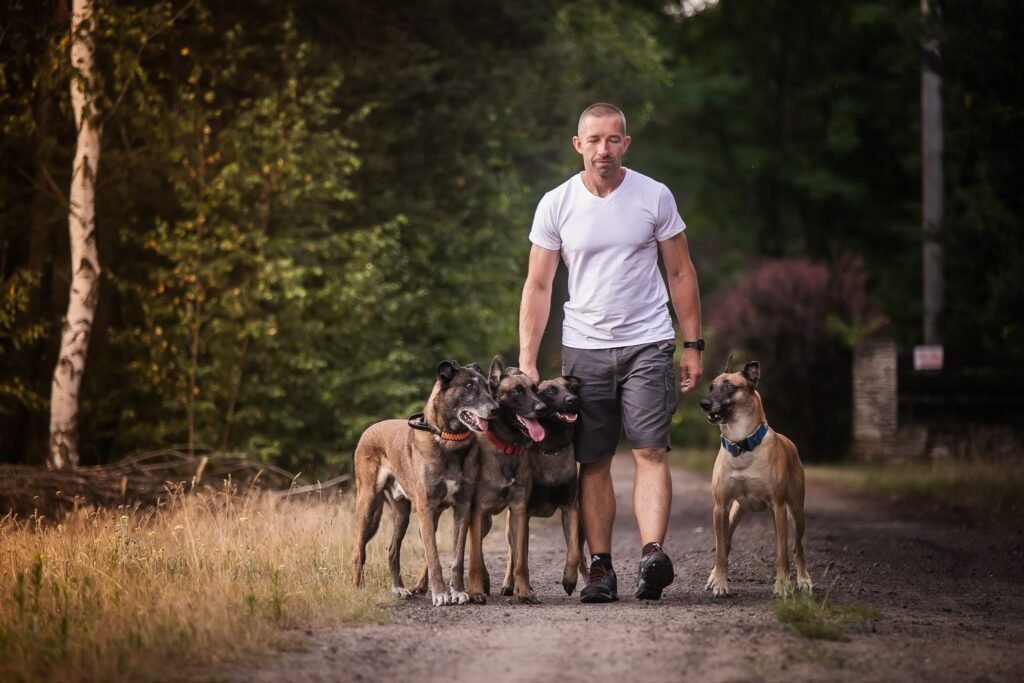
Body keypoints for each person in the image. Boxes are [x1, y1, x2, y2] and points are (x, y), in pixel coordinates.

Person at [518, 102, 703, 603]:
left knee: (650, 450)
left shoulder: (654, 196)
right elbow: (539, 284)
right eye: (594, 140)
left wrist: (691, 343)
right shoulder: (556, 203)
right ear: (578, 145)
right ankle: (600, 569)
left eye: (613, 139)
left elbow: (681, 272)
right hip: (584, 350)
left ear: (625, 143)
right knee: (594, 460)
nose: (604, 149)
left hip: (648, 341)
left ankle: (651, 555)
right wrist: (528, 358)